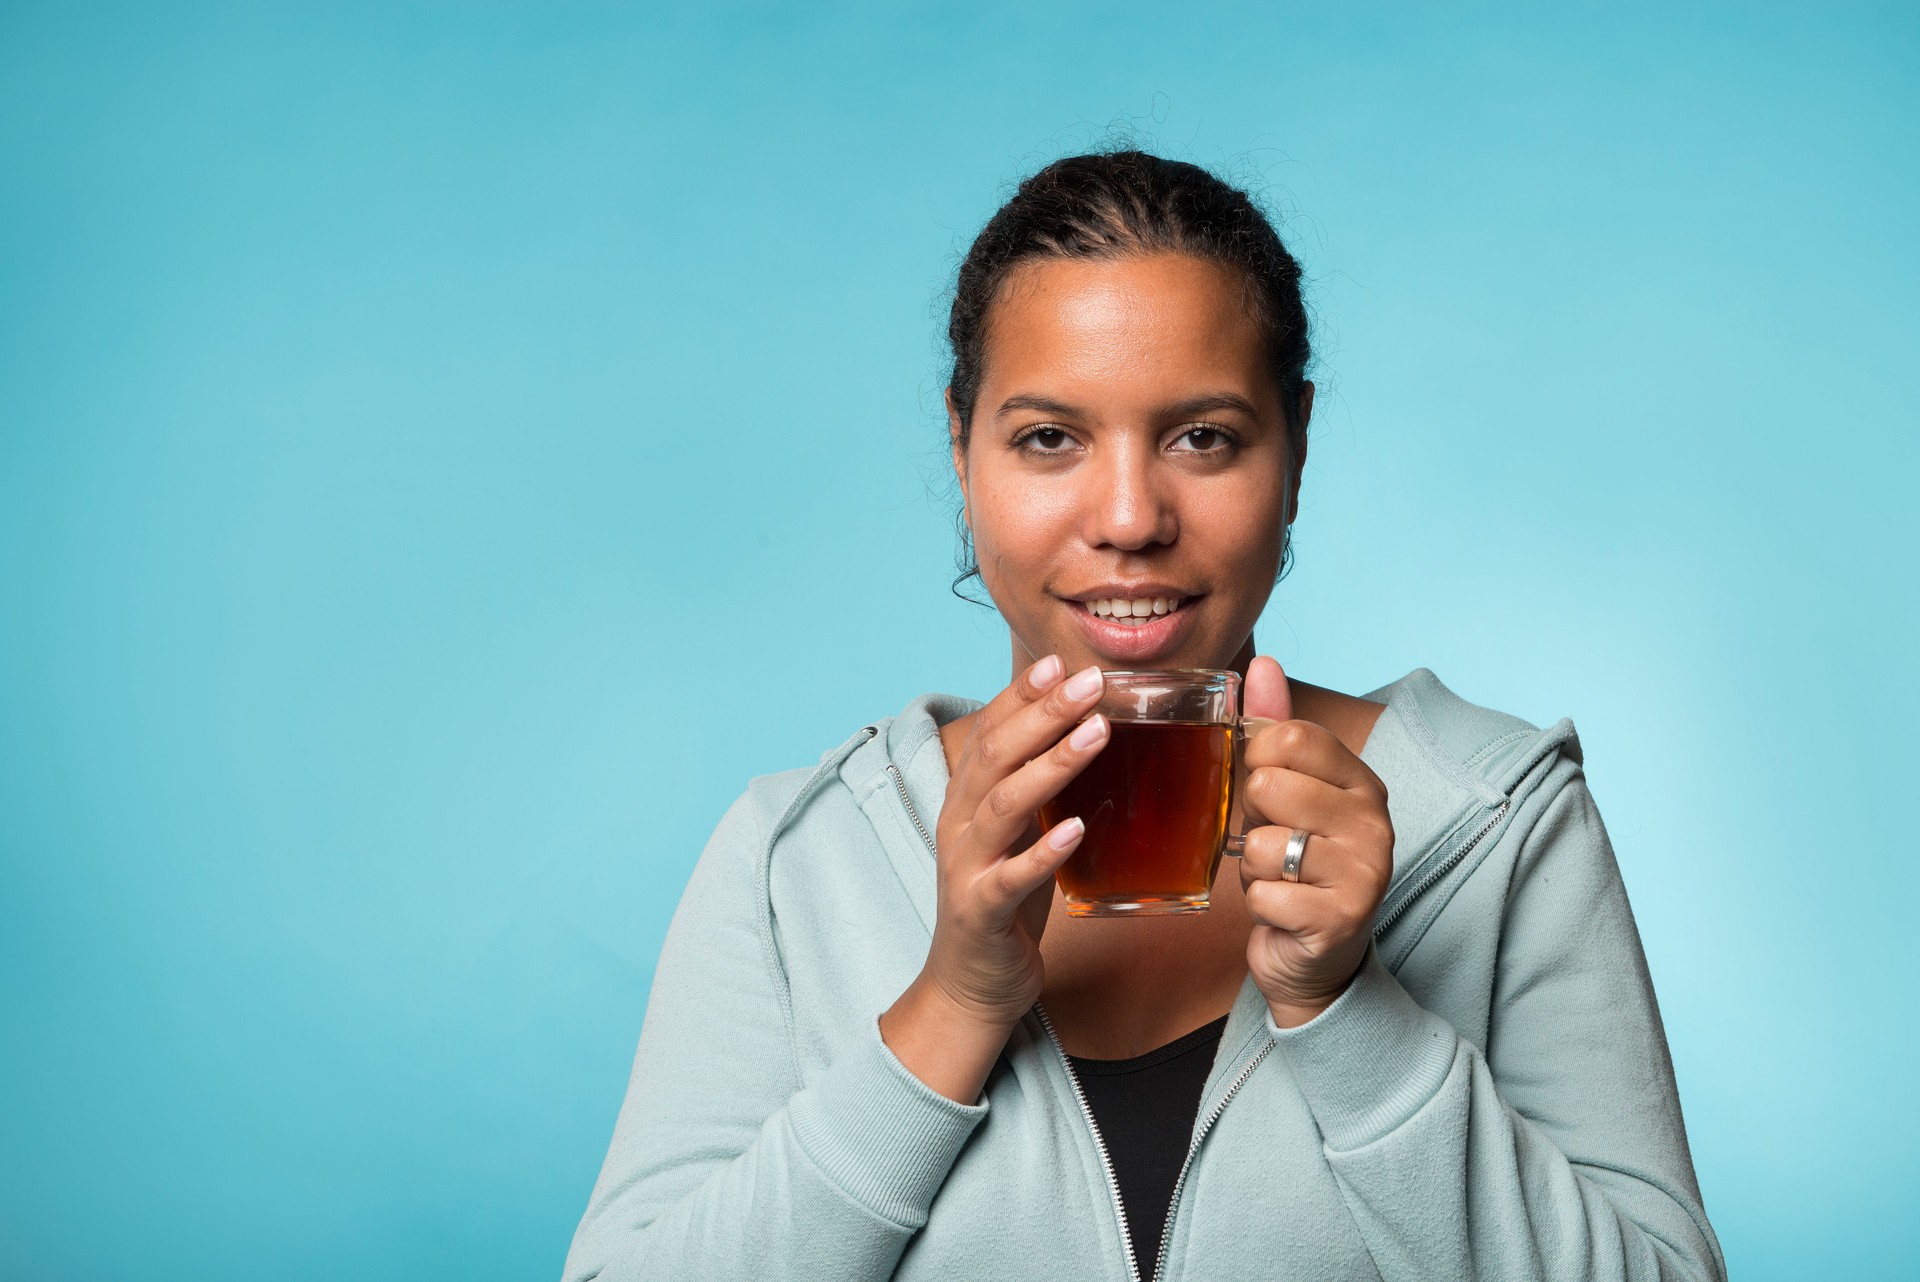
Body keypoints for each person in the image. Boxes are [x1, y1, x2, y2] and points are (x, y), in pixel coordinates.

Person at [561, 150, 1724, 1282]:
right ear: (962, 450)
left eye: (1202, 437)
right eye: (1049, 438)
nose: (1128, 516)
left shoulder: (1497, 822)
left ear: (1297, 447)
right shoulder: (793, 863)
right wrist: (949, 1007)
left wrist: (1351, 1013)